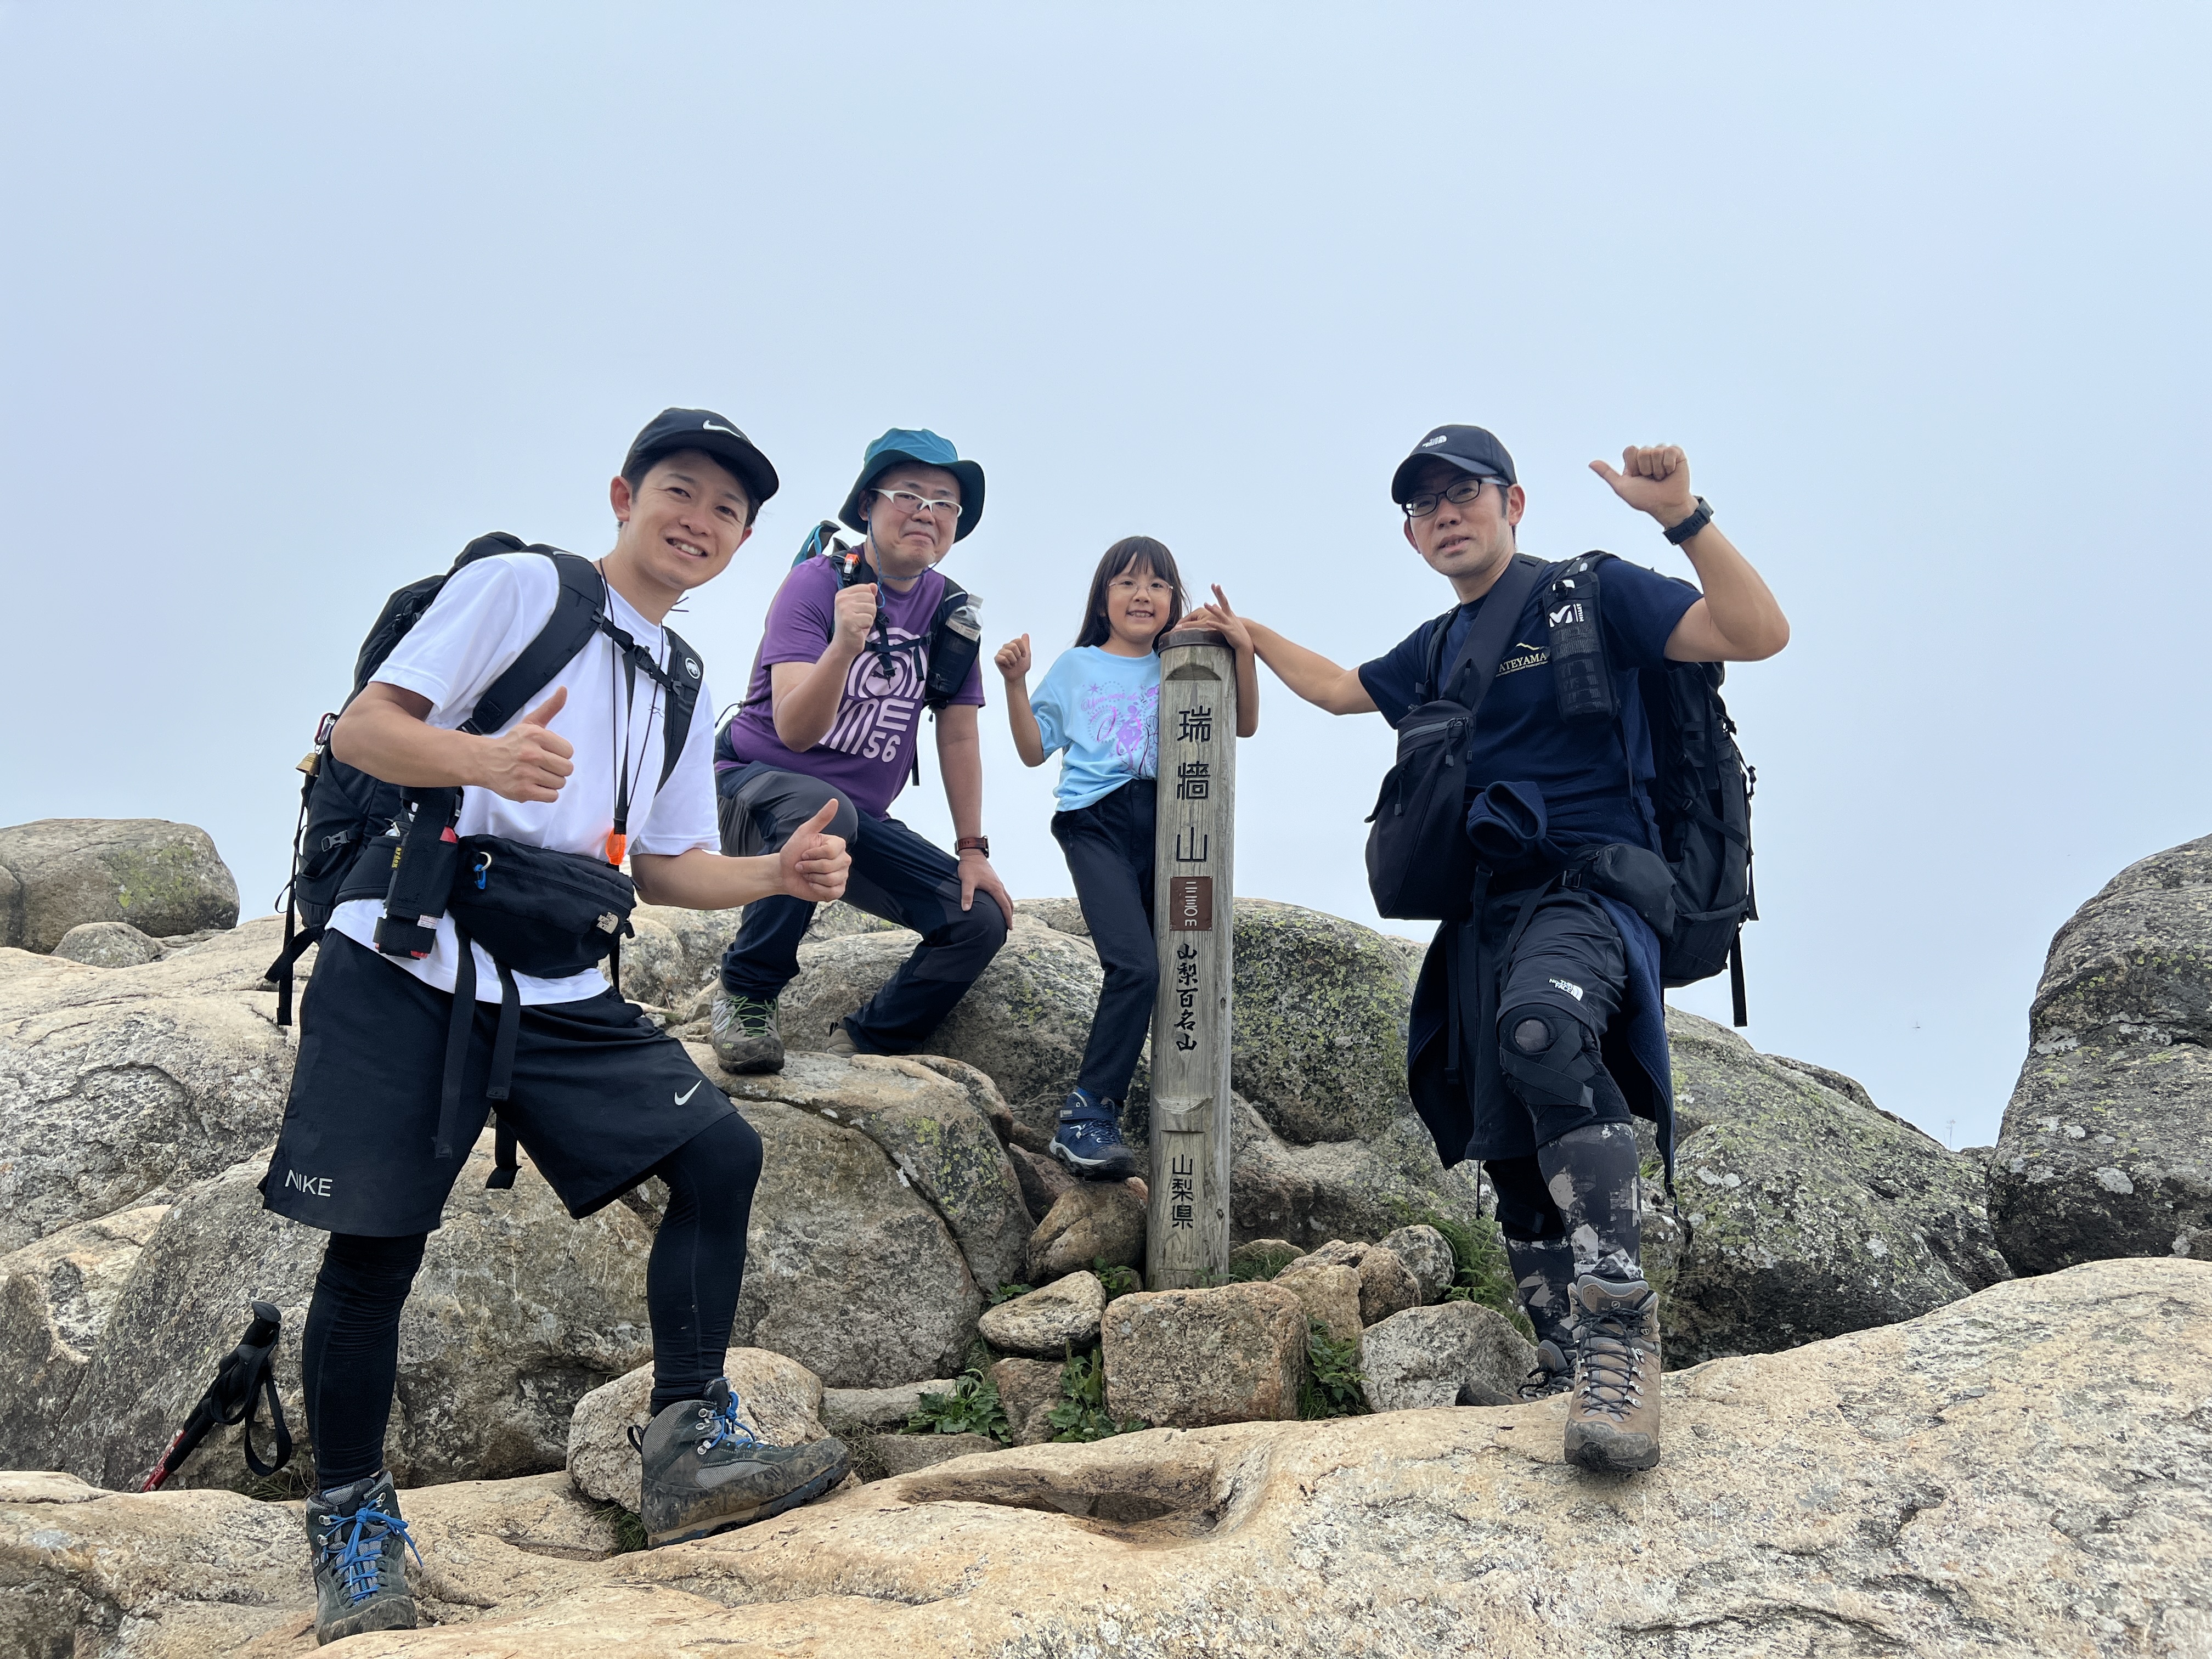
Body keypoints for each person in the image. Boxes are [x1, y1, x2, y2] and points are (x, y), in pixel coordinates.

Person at [261, 409, 858, 1646]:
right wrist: (481, 756)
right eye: (677, 493)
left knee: (718, 1156)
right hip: (408, 953)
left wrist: (778, 880)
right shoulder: (526, 587)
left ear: (745, 542)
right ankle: (352, 1522)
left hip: (557, 980)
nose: (697, 521)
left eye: (725, 512)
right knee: (376, 1249)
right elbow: (366, 730)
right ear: (623, 494)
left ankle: (690, 1443)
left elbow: (668, 866)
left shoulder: (682, 680)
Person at [1217, 425, 1787, 1475]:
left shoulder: (1593, 592)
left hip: (1590, 890)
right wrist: (1243, 632)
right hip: (1483, 912)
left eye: (1462, 491)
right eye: (1421, 502)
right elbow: (1345, 688)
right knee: (1505, 1138)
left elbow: (1756, 632)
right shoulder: (1438, 647)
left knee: (1543, 1031)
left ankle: (1619, 1321)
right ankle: (1559, 1349)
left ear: (1512, 502)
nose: (1443, 512)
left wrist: (1680, 518)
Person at [708, 428, 1012, 1073]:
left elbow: (957, 732)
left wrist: (972, 852)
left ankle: (868, 1044)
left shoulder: (950, 613)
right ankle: (746, 993)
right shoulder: (816, 586)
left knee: (978, 919)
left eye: (944, 502)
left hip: (855, 822)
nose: (926, 512)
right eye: (909, 494)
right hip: (754, 788)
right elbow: (793, 729)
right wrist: (845, 645)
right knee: (826, 812)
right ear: (868, 505)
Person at [995, 537, 1260, 1178]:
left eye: (1157, 585)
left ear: (1175, 600)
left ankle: (1161, 1116)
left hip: (1174, 825)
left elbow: (1242, 724)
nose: (1142, 595)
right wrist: (1015, 682)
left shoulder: (1189, 659)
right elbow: (1035, 751)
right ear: (1103, 597)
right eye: (1127, 582)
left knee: (1179, 965)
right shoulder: (1079, 665)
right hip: (1096, 824)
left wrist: (1244, 650)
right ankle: (1088, 1113)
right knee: (1136, 966)